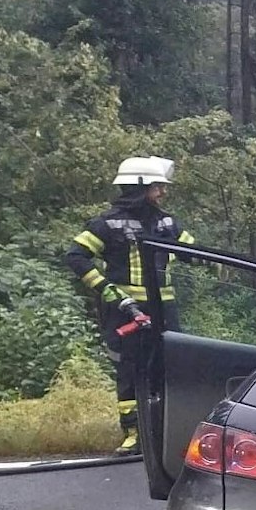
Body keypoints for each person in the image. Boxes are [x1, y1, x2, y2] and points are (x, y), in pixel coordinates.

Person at [62, 156, 193, 455]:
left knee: (170, 368)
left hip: (165, 310)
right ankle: (134, 434)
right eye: (157, 187)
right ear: (138, 187)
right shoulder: (107, 224)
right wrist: (106, 290)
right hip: (125, 311)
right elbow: (76, 256)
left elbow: (192, 251)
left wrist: (213, 262)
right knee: (129, 369)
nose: (162, 193)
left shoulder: (167, 222)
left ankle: (166, 432)